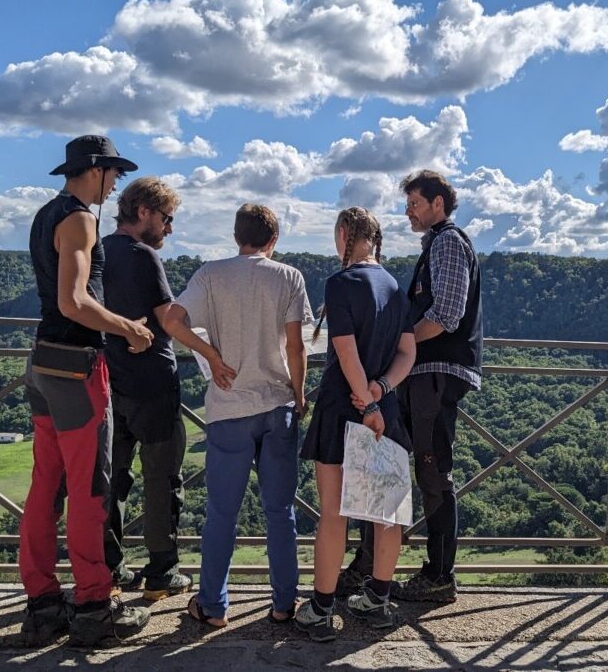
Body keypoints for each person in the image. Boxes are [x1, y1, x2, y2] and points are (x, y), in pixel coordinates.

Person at [20, 135, 153, 646]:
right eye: (113, 171)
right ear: (94, 170)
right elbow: (74, 301)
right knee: (89, 490)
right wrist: (128, 329)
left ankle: (43, 604)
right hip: (78, 367)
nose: (116, 181)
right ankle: (96, 605)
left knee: (45, 485)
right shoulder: (80, 218)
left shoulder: (44, 214)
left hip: (44, 363)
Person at [161, 203, 311, 629]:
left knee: (221, 513)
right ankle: (284, 604)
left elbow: (172, 320)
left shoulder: (211, 274)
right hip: (276, 404)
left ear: (235, 236)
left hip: (228, 409)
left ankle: (213, 606)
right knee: (280, 511)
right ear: (273, 239)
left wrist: (210, 353)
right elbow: (296, 347)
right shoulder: (288, 277)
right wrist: (298, 394)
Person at [341, 171, 482, 604]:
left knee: (432, 473)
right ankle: (373, 567)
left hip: (435, 373)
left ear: (438, 204)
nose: (409, 211)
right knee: (404, 467)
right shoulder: (438, 244)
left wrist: (399, 343)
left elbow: (447, 314)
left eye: (415, 203)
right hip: (427, 375)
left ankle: (438, 576)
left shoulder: (448, 242)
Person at [101, 176, 234, 601]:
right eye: (167, 218)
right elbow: (168, 321)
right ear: (143, 212)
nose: (169, 229)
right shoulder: (143, 256)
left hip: (109, 379)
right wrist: (211, 352)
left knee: (111, 477)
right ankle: (162, 568)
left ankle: (110, 567)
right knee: (161, 479)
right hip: (152, 382)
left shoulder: (99, 250)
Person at [293, 207, 416, 642]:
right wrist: (382, 390)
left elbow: (344, 353)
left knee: (333, 513)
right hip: (386, 407)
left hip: (344, 408)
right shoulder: (395, 287)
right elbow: (407, 353)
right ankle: (378, 601)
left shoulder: (341, 283)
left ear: (344, 233)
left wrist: (365, 405)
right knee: (386, 511)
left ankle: (323, 609)